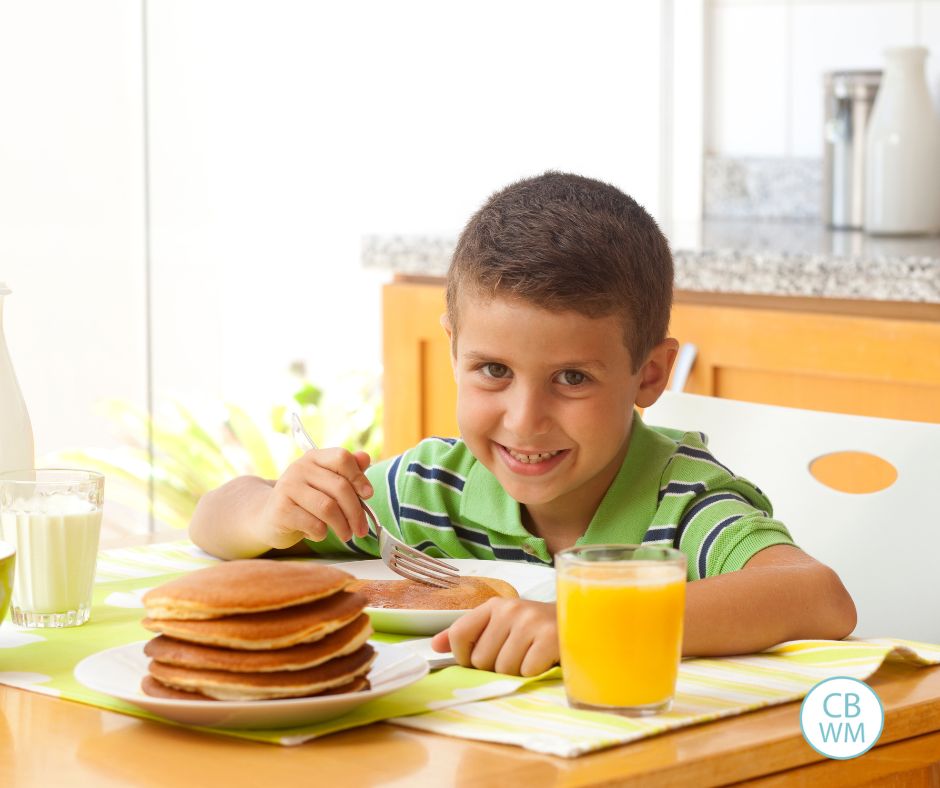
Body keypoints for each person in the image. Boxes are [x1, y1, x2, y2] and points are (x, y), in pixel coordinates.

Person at [189, 172, 857, 677]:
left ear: (649, 376)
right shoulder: (433, 488)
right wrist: (274, 512)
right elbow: (214, 520)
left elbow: (817, 597)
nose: (523, 420)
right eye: (493, 371)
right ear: (453, 348)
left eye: (572, 378)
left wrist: (587, 622)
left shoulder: (682, 504)